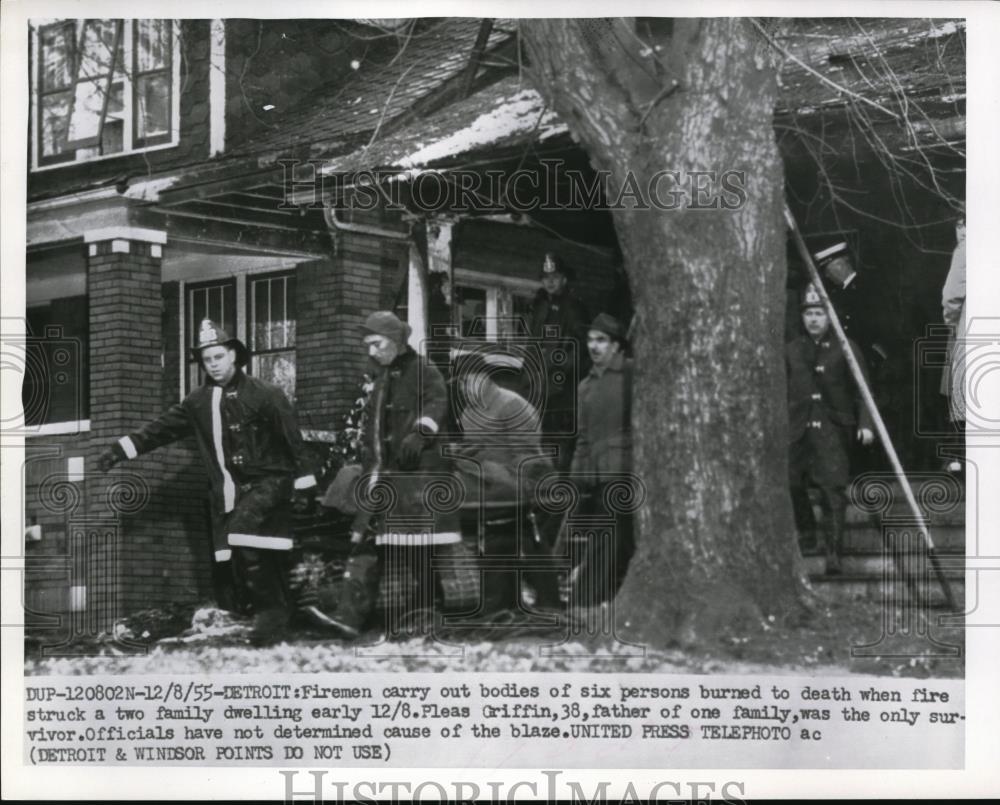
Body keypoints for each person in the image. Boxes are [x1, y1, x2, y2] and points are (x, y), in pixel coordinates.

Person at [96, 318, 317, 643]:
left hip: (271, 484)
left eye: (218, 357)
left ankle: (271, 616)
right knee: (240, 558)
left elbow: (292, 441)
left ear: (233, 356)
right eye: (207, 359)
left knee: (244, 537)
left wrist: (305, 483)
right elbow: (160, 429)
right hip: (227, 494)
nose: (213, 365)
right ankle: (265, 620)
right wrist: (118, 451)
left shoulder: (267, 394)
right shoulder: (198, 402)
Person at [318, 311, 477, 639]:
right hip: (387, 479)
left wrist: (421, 432)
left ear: (396, 341)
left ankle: (427, 617)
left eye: (376, 344)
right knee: (368, 543)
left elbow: (437, 403)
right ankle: (349, 616)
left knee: (419, 550)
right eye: (369, 346)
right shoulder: (382, 379)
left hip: (420, 480)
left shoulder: (424, 371)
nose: (371, 352)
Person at [787, 286, 875, 574]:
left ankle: (834, 551)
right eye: (809, 314)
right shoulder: (791, 350)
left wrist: (865, 424)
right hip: (797, 428)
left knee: (832, 488)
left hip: (833, 428)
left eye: (819, 313)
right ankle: (808, 533)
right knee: (792, 482)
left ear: (829, 316)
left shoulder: (846, 348)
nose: (814, 319)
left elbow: (863, 391)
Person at [567, 313, 635, 603]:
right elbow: (582, 437)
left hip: (625, 473)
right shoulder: (585, 386)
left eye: (602, 340)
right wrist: (576, 477)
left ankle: (585, 600)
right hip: (597, 475)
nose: (594, 346)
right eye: (591, 340)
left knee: (604, 536)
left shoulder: (633, 375)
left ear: (617, 346)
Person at [529, 252, 589, 471]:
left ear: (564, 279)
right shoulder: (539, 304)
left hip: (563, 386)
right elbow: (533, 342)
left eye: (555, 276)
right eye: (546, 277)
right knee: (539, 436)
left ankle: (561, 486)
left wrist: (560, 368)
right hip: (539, 383)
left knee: (562, 440)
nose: (550, 281)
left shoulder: (574, 308)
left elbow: (581, 347)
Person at [812, 242, 890, 369]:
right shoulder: (838, 293)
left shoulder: (868, 286)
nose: (827, 275)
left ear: (842, 264)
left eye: (829, 269)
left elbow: (880, 322)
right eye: (826, 271)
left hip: (868, 355)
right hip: (848, 355)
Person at [940, 215, 966, 472]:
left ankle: (956, 458)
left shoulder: (964, 252)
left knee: (960, 397)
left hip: (965, 334)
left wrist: (952, 321)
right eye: (958, 224)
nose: (962, 230)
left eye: (966, 224)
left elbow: (951, 297)